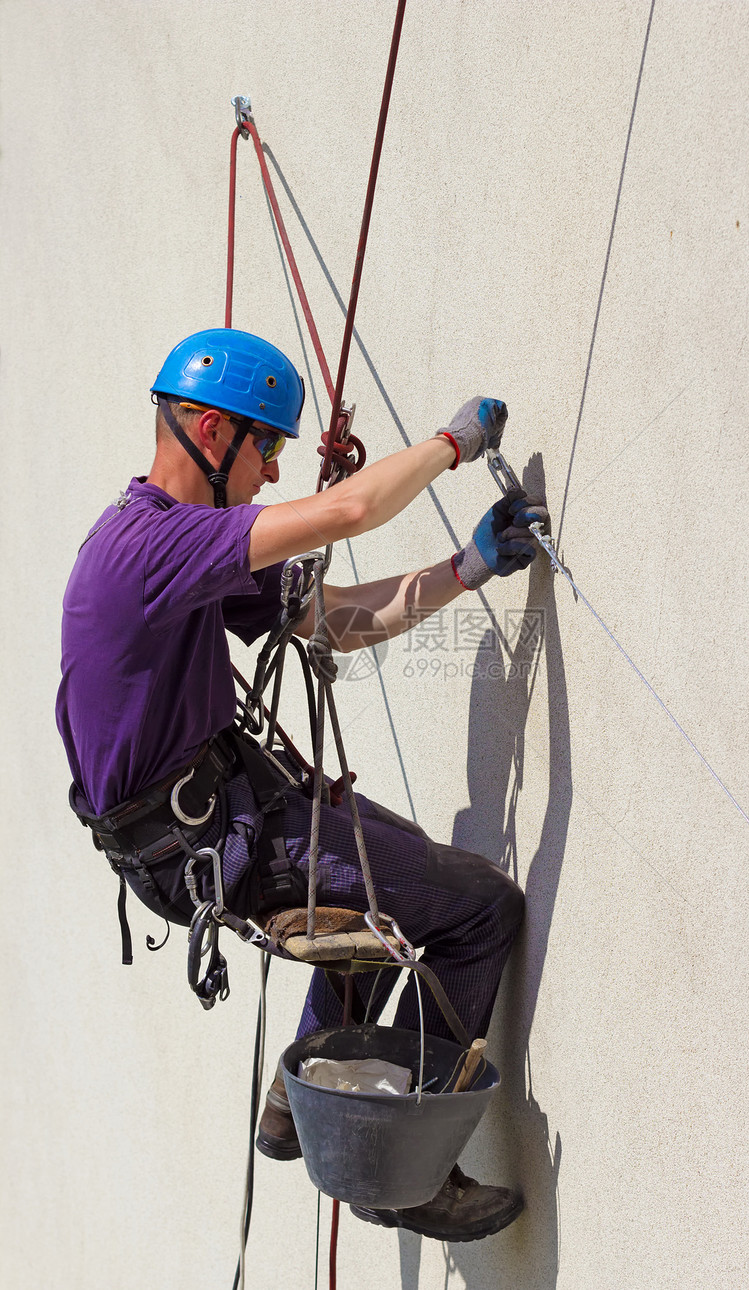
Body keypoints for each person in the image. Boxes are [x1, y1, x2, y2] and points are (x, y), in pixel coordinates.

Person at [57, 327, 548, 1242]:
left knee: (390, 890)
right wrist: (451, 446)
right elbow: (349, 511)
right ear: (211, 432)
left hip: (222, 814)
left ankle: (297, 1099)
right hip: (211, 839)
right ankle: (394, 1170)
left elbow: (328, 622)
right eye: (268, 447)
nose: (274, 474)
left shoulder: (172, 545)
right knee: (478, 911)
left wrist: (465, 569)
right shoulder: (154, 550)